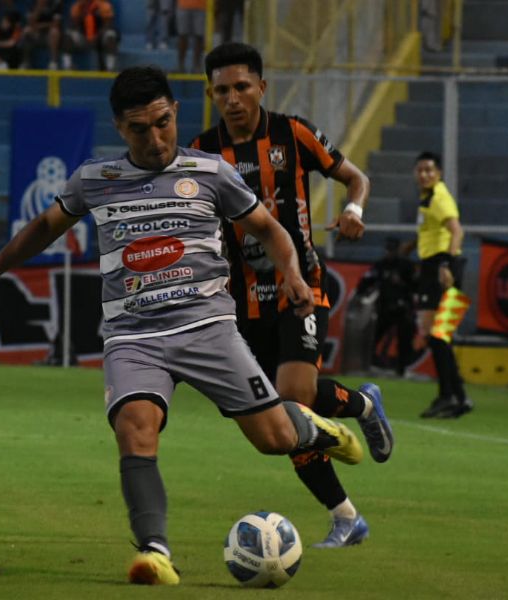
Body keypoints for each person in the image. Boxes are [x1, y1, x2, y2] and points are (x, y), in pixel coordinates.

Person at [0, 65, 381, 585]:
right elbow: (43, 227)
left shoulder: (211, 172)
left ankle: (315, 427)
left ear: (175, 112)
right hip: (133, 337)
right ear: (119, 129)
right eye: (139, 129)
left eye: (163, 122)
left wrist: (290, 273)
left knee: (274, 439)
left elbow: (271, 229)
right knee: (135, 427)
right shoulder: (95, 180)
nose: (154, 138)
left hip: (209, 328)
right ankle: (155, 552)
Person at [190, 42, 393, 548]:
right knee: (281, 417)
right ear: (211, 95)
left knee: (295, 397)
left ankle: (358, 422)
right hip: (240, 301)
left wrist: (354, 212)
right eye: (222, 91)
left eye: (242, 87)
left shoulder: (293, 133)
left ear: (261, 86)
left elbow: (356, 178)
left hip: (300, 283)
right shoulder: (201, 153)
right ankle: (348, 504)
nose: (233, 98)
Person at [409, 151, 472, 418]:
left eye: (429, 170)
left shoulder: (438, 197)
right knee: (438, 337)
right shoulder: (429, 198)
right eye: (420, 170)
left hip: (441, 267)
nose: (424, 174)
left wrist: (445, 264)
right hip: (436, 265)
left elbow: (457, 230)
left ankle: (452, 396)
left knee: (437, 335)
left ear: (439, 173)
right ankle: (455, 396)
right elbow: (435, 232)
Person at [358, 237, 416, 376]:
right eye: (388, 250)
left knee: (405, 339)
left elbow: (415, 285)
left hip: (403, 308)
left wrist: (402, 284)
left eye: (392, 250)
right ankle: (369, 365)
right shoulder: (380, 265)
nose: (390, 253)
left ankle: (402, 369)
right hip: (385, 307)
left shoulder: (406, 265)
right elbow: (366, 280)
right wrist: (362, 293)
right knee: (374, 336)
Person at [63, 0, 119, 71]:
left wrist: (96, 37)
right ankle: (67, 66)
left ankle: (110, 68)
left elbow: (108, 24)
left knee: (111, 35)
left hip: (100, 37)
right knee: (68, 35)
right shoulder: (78, 5)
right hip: (83, 38)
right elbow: (73, 25)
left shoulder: (103, 5)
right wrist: (82, 14)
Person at [21, 0, 63, 69]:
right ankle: (25, 62)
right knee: (26, 30)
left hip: (49, 33)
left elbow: (56, 24)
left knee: (54, 32)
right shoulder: (32, 3)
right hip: (36, 32)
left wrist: (39, 26)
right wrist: (38, 9)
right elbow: (30, 23)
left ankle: (53, 62)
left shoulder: (56, 3)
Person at [176, 0, 205, 73]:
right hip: (183, 5)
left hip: (201, 6)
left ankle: (197, 65)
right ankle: (180, 65)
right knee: (182, 36)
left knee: (199, 37)